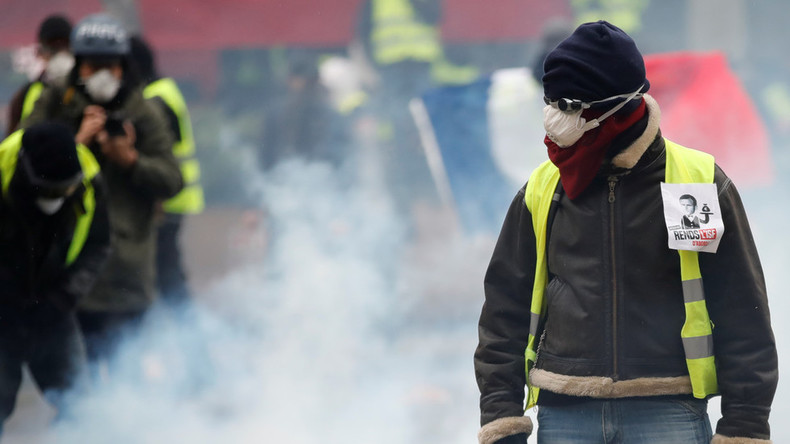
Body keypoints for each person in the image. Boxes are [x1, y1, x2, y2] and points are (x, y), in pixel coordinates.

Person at [474, 21, 777, 444]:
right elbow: (503, 310)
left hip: (669, 412)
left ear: (614, 108)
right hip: (565, 415)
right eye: (549, 101)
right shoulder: (543, 188)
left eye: (567, 104)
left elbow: (742, 307)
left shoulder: (694, 182)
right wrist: (501, 418)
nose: (553, 116)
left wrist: (744, 425)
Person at [23, 13, 183, 379]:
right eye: (93, 66)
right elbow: (24, 164)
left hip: (128, 272)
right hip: (69, 275)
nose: (102, 75)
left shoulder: (142, 110)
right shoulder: (54, 104)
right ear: (78, 65)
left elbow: (171, 180)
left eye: (110, 66)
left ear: (123, 66)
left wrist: (131, 160)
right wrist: (74, 145)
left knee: (128, 378)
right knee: (79, 381)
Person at [0, 122, 110, 433]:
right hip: (3, 316)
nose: (57, 198)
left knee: (81, 409)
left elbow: (99, 245)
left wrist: (63, 297)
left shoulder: (88, 180)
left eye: (64, 190)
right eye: (50, 191)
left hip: (54, 310)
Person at [129, 35, 204, 307]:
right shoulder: (164, 89)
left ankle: (187, 326)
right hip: (174, 196)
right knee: (166, 269)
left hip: (167, 198)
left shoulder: (155, 99)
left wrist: (157, 197)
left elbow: (159, 155)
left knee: (166, 272)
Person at [6, 14, 74, 135]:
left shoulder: (85, 89)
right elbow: (13, 140)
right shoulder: (25, 95)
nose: (60, 53)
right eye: (53, 47)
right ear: (40, 52)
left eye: (65, 45)